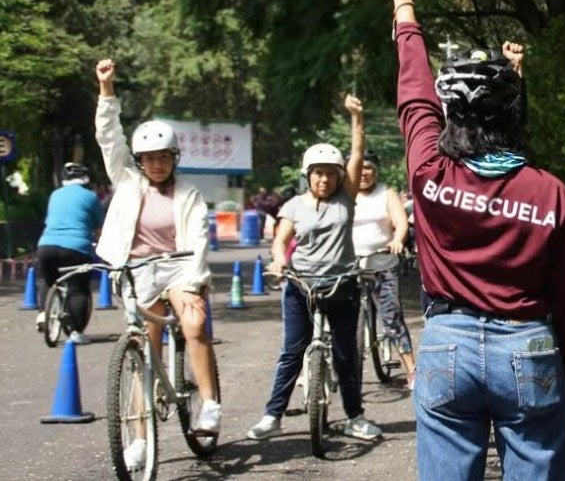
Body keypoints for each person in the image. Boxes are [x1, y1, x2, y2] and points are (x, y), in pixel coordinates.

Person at [392, 0, 565, 481]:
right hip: (528, 353)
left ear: (450, 116)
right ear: (514, 114)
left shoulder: (430, 174)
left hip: (446, 349)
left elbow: (415, 99)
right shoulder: (550, 193)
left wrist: (404, 3)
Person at [94, 58, 220, 469]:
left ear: (174, 157)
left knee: (195, 323)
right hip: (138, 273)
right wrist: (106, 92)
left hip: (180, 269)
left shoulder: (189, 194)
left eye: (163, 157)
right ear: (140, 161)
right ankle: (140, 441)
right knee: (141, 351)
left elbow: (199, 240)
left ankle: (209, 405)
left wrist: (196, 281)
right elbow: (109, 140)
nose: (156, 164)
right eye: (148, 158)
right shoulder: (128, 183)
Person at [246, 94, 384, 442]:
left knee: (345, 355)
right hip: (301, 285)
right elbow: (280, 240)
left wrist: (357, 119)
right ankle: (272, 415)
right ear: (308, 175)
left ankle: (355, 417)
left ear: (339, 177)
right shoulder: (293, 205)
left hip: (342, 284)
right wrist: (279, 260)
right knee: (292, 351)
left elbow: (356, 154)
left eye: (330, 174)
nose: (324, 179)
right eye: (318, 174)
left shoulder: (345, 199)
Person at [352, 149, 417, 388]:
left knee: (392, 320)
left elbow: (400, 222)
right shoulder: (345, 194)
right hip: (350, 268)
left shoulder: (386, 194)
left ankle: (412, 371)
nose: (364, 173)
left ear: (376, 171)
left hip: (383, 266)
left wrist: (398, 239)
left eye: (369, 168)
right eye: (360, 167)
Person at [35, 162, 105, 344]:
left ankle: (43, 312)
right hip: (77, 248)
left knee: (47, 280)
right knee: (78, 288)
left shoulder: (54, 195)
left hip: (46, 245)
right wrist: (100, 246)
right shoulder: (91, 197)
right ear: (86, 180)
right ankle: (75, 332)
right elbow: (99, 229)